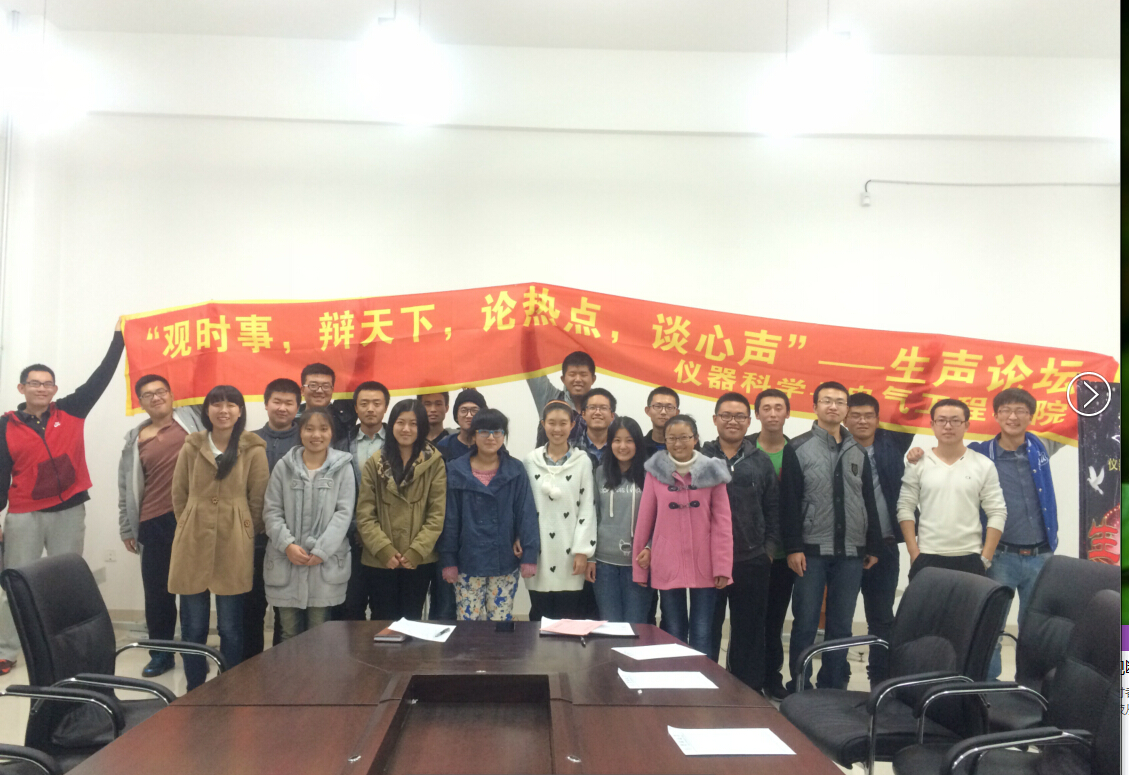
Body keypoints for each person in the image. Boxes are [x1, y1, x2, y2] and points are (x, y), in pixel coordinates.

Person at [0, 324, 124, 675]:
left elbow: (101, 378)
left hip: (68, 511)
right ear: (22, 388)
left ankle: (65, 646)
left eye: (48, 384)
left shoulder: (71, 410)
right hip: (24, 514)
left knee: (66, 582)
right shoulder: (5, 425)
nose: (42, 388)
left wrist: (119, 339)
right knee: (14, 584)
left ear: (54, 389)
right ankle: (6, 650)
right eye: (35, 383)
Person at [169, 385, 269, 691]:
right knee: (193, 626)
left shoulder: (253, 448)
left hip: (234, 539)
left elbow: (258, 498)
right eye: (216, 404)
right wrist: (190, 521)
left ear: (240, 411)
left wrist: (244, 527)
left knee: (230, 626)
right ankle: (195, 688)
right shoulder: (192, 445)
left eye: (230, 404)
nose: (223, 410)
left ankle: (228, 688)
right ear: (207, 410)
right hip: (193, 539)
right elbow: (179, 493)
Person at [787, 381, 881, 692]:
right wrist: (793, 547)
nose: (833, 406)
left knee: (841, 626)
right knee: (805, 623)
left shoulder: (858, 450)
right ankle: (800, 686)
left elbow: (867, 499)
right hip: (810, 551)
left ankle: (832, 687)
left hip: (851, 552)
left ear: (846, 409)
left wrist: (871, 544)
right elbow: (789, 502)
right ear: (814, 406)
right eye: (827, 400)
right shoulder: (798, 447)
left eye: (840, 402)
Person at [968, 387, 1063, 680]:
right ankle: (988, 689)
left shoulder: (1040, 446)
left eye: (1021, 411)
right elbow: (945, 455)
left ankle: (1030, 689)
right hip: (1000, 556)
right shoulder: (979, 453)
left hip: (1042, 556)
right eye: (1006, 410)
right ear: (995, 415)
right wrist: (917, 455)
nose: (1013, 416)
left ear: (1031, 416)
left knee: (1037, 630)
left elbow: (1079, 420)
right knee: (991, 626)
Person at [118, 375, 203, 678]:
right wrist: (126, 527)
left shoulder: (191, 419)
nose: (156, 398)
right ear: (140, 402)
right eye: (148, 394)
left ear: (171, 394)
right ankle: (161, 654)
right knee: (157, 596)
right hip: (152, 522)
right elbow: (125, 487)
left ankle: (196, 655)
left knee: (193, 593)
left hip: (192, 520)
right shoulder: (135, 439)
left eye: (161, 391)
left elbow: (204, 377)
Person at [633, 414, 732, 655]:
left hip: (705, 561)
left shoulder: (712, 471)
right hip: (666, 560)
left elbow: (722, 523)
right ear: (665, 441)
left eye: (684, 437)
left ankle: (701, 676)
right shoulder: (655, 472)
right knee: (674, 629)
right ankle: (676, 675)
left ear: (695, 438)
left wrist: (723, 567)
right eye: (672, 439)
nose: (678, 444)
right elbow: (645, 520)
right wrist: (639, 568)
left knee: (702, 630)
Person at [703, 392, 780, 692]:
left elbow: (773, 508)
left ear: (749, 421)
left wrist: (768, 551)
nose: (732, 421)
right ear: (715, 419)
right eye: (726, 415)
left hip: (751, 560)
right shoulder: (700, 458)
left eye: (739, 416)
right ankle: (706, 687)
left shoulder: (760, 461)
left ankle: (745, 691)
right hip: (708, 562)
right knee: (706, 628)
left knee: (749, 631)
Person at [844, 393, 919, 686]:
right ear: (846, 418)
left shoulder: (892, 442)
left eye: (869, 416)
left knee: (881, 619)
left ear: (878, 419)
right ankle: (837, 680)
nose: (862, 421)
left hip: (885, 547)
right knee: (840, 619)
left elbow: (915, 405)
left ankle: (881, 682)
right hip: (845, 550)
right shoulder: (835, 445)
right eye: (856, 415)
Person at [262, 408, 355, 640]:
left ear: (331, 432)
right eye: (309, 429)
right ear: (300, 432)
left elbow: (344, 514)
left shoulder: (343, 467)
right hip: (286, 563)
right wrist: (287, 544)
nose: (316, 435)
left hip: (324, 566)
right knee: (288, 633)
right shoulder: (284, 466)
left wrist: (322, 550)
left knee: (319, 634)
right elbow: (272, 511)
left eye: (323, 429)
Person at [438, 409, 539, 621]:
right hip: (468, 562)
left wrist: (529, 554)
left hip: (504, 561)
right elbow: (450, 520)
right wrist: (449, 560)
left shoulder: (515, 470)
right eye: (484, 431)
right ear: (473, 435)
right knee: (468, 624)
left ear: (504, 435)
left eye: (497, 432)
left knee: (501, 624)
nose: (491, 437)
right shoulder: (455, 469)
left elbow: (526, 512)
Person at [356, 400, 447, 620]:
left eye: (413, 424)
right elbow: (365, 514)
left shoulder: (434, 462)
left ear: (422, 427)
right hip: (379, 559)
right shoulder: (375, 462)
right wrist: (384, 550)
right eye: (400, 422)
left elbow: (437, 515)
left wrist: (416, 551)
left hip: (418, 560)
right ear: (392, 425)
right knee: (382, 620)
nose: (406, 429)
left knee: (411, 619)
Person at [897, 399, 1007, 581]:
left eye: (955, 420)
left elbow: (997, 511)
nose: (948, 426)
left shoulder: (983, 465)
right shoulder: (918, 463)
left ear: (966, 425)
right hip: (927, 555)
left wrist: (985, 558)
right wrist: (914, 553)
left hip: (970, 556)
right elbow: (905, 507)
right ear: (932, 425)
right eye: (941, 420)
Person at [747, 388, 803, 699]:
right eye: (766, 408)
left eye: (778, 407)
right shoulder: (745, 449)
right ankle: (746, 677)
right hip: (749, 552)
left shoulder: (796, 452)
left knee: (775, 620)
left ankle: (772, 677)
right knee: (749, 619)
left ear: (787, 413)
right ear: (757, 414)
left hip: (783, 553)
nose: (772, 413)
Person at [522, 401, 596, 621]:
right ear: (543, 424)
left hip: (570, 553)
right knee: (539, 615)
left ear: (572, 425)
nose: (557, 429)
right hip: (538, 550)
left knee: (568, 617)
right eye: (551, 423)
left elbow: (587, 508)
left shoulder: (582, 462)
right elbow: (523, 508)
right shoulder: (530, 462)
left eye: (563, 423)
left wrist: (582, 551)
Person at [246, 377, 303, 658]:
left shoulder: (306, 439)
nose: (282, 408)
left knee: (287, 610)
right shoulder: (247, 440)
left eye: (289, 403)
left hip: (291, 539)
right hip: (252, 538)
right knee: (252, 607)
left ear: (297, 406)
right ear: (266, 404)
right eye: (277, 402)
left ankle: (282, 667)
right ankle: (250, 667)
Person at [592, 417, 651, 623]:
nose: (622, 446)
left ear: (638, 443)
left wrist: (650, 547)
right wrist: (590, 557)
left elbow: (660, 519)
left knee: (635, 627)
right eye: (617, 440)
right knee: (610, 626)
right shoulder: (600, 473)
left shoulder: (650, 475)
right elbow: (592, 515)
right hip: (604, 564)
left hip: (638, 563)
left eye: (629, 440)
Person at [339, 380, 390, 621]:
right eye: (364, 403)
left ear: (386, 407)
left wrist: (376, 532)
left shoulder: (399, 442)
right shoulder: (340, 444)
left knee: (385, 609)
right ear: (356, 408)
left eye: (376, 403)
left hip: (388, 538)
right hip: (351, 539)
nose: (370, 409)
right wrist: (356, 527)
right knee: (351, 606)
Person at [527, 351, 596, 446]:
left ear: (593, 379)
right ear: (563, 379)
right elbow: (530, 365)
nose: (578, 379)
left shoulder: (602, 408)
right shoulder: (550, 398)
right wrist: (528, 342)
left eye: (583, 374)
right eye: (572, 374)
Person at [299, 363, 357, 441]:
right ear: (302, 390)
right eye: (313, 385)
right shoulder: (290, 419)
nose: (319, 391)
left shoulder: (345, 421)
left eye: (326, 386)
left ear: (332, 390)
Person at [435, 388, 487, 463]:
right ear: (456, 415)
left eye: (474, 410)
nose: (469, 415)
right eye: (463, 410)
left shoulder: (490, 442)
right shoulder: (444, 445)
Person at [576, 388, 617, 466]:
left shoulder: (619, 449)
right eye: (592, 407)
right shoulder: (571, 448)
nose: (597, 412)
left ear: (612, 416)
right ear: (583, 414)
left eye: (603, 408)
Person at [642, 387, 679, 459]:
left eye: (669, 407)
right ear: (647, 411)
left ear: (677, 413)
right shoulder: (638, 446)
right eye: (658, 406)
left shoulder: (683, 448)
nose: (663, 412)